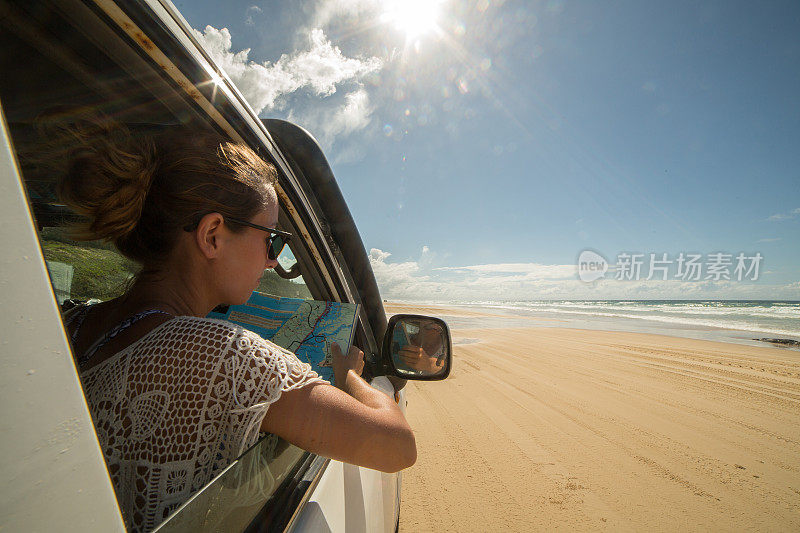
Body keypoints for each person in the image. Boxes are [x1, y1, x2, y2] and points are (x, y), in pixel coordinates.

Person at [50, 115, 415, 532]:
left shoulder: (72, 320)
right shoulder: (220, 354)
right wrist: (351, 377)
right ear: (212, 236)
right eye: (272, 238)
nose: (275, 259)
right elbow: (397, 445)